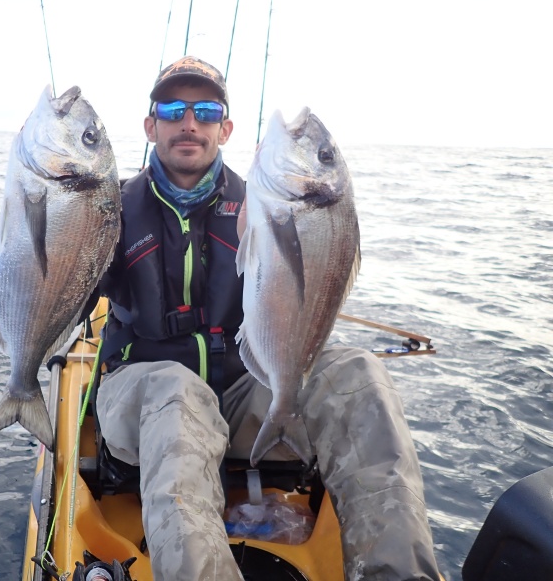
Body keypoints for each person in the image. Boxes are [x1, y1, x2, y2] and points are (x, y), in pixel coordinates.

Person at [91, 55, 441, 581]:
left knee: (358, 373)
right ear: (150, 125)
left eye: (206, 111)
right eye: (172, 109)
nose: (190, 123)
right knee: (175, 389)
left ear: (226, 129)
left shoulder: (268, 201)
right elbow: (65, 288)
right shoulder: (108, 206)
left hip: (244, 393)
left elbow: (312, 278)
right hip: (142, 398)